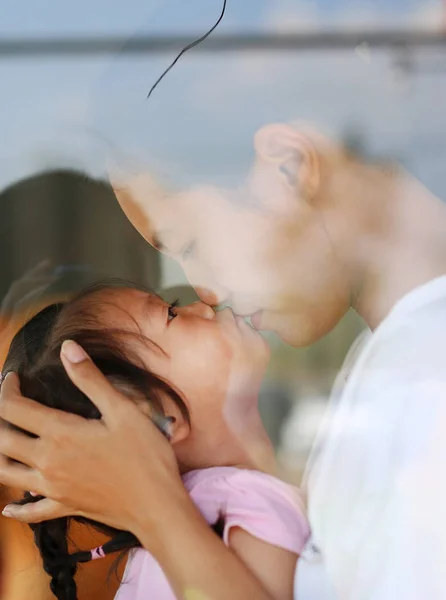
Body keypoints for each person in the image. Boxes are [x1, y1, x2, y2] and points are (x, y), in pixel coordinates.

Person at [2, 121, 446, 599]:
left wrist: (148, 503)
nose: (206, 293)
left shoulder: (421, 372)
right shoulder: (389, 370)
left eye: (188, 244)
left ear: (291, 166)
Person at [0, 281, 309, 600]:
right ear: (151, 417)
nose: (203, 305)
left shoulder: (179, 534)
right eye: (172, 313)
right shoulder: (243, 506)